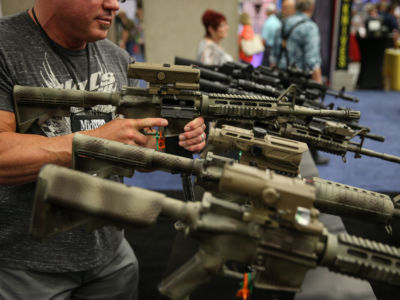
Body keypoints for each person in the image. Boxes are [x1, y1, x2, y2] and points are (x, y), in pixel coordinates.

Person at [0, 0, 206, 299]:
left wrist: (173, 140)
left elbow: (138, 150)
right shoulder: (6, 47)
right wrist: (95, 141)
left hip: (111, 257)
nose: (113, 5)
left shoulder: (117, 57)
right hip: (23, 267)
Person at [270, 0, 322, 83]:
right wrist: (319, 85)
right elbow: (312, 62)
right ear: (312, 7)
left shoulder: (283, 24)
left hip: (280, 80)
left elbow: (273, 58)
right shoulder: (310, 28)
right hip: (300, 83)